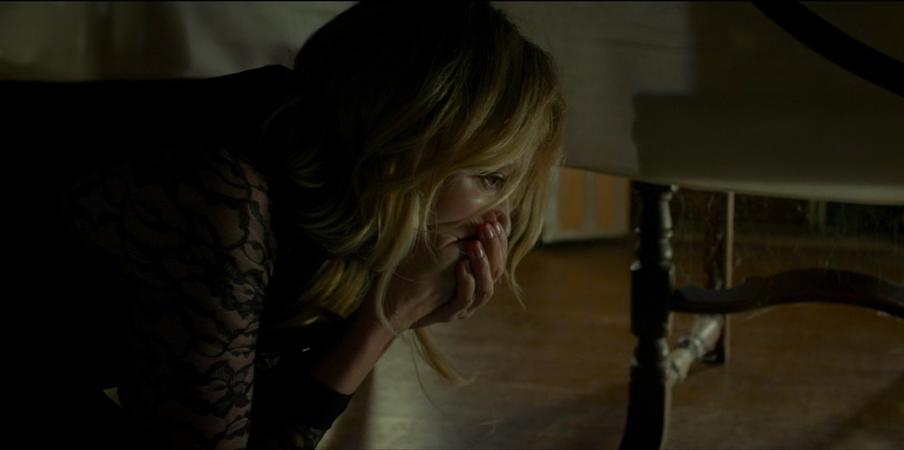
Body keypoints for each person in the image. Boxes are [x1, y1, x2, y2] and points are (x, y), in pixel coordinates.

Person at [10, 1, 564, 449]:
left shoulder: (328, 205)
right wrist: (385, 319)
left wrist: (383, 316)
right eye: (490, 178)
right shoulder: (224, 199)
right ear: (403, 146)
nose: (500, 217)